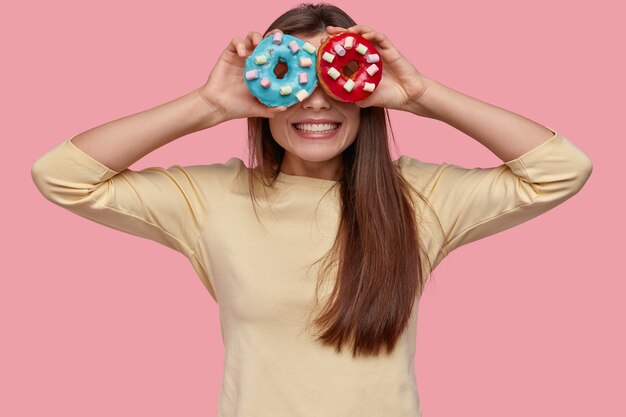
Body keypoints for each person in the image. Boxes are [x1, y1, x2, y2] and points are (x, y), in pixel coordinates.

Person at [31, 3, 592, 416]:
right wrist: (206, 105)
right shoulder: (209, 200)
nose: (316, 99)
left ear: (367, 93)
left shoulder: (420, 197)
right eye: (293, 78)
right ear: (262, 91)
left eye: (336, 78)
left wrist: (421, 95)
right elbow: (62, 176)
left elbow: (561, 167)